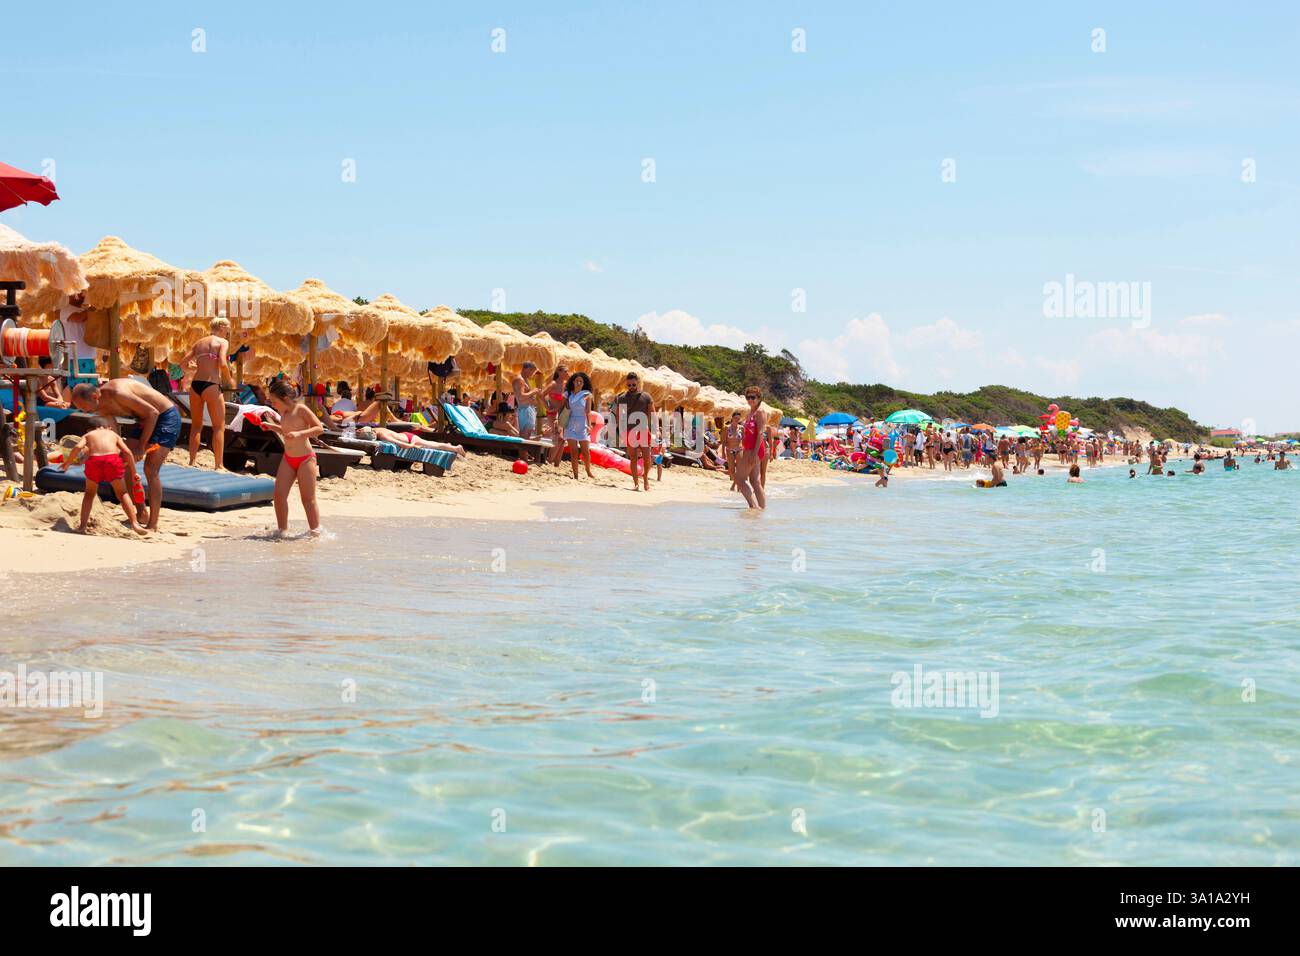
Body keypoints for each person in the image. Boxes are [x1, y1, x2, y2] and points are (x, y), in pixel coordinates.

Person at [71, 379, 180, 531]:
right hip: (144, 420)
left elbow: (153, 413)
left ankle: (153, 523)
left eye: (83, 407)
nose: (84, 411)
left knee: (151, 469)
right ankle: (141, 511)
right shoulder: (101, 406)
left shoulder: (117, 392)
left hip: (165, 416)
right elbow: (113, 435)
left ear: (95, 397)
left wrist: (141, 446)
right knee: (124, 463)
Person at [61, 416, 146, 535]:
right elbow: (127, 452)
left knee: (90, 494)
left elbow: (78, 447)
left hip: (94, 461)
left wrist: (67, 463)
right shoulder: (113, 434)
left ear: (88, 430)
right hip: (112, 461)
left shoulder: (88, 435)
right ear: (109, 427)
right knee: (122, 493)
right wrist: (133, 472)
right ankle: (135, 524)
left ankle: (82, 526)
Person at [261, 379, 324, 536]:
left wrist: (300, 434)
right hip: (288, 459)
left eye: (274, 401)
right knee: (279, 495)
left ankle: (315, 533)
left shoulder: (301, 409)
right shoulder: (284, 413)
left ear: (286, 399)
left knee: (308, 499)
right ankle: (282, 531)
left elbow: (319, 428)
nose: (272, 405)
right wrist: (272, 427)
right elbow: (287, 430)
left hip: (305, 459)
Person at [181, 317, 232, 470]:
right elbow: (222, 363)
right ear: (222, 326)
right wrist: (229, 379)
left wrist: (193, 369)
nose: (229, 330)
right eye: (228, 327)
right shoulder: (222, 342)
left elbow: (182, 364)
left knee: (196, 426)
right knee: (218, 427)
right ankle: (219, 464)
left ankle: (192, 461)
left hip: (196, 385)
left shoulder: (200, 342)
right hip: (211, 384)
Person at [616, 371, 656, 492]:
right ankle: (636, 483)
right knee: (633, 457)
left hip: (643, 430)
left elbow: (652, 414)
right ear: (626, 384)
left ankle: (646, 479)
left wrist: (654, 430)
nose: (632, 387)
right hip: (629, 431)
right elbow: (619, 415)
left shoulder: (646, 396)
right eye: (629, 385)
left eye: (633, 384)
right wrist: (622, 430)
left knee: (647, 457)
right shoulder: (622, 397)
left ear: (638, 383)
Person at [734, 387, 767, 510]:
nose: (750, 400)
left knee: (739, 478)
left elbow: (760, 433)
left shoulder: (760, 412)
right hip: (750, 448)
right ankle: (762, 510)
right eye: (748, 397)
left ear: (759, 398)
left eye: (753, 397)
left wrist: (754, 453)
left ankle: (754, 507)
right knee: (755, 481)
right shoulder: (750, 413)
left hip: (754, 449)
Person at [563, 372, 595, 480]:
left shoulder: (587, 394)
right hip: (571, 423)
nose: (579, 383)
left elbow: (588, 411)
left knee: (585, 451)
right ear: (573, 381)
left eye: (581, 381)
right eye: (577, 381)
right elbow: (564, 409)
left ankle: (588, 470)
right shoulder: (568, 394)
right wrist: (561, 423)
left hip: (583, 423)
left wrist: (590, 425)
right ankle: (575, 474)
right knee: (574, 451)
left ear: (583, 383)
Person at [357, 425, 465, 457]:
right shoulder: (375, 429)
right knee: (433, 444)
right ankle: (450, 446)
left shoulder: (382, 434)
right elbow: (359, 430)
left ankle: (456, 448)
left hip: (410, 439)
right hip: (405, 436)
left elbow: (402, 445)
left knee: (433, 445)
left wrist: (413, 445)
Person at [509, 361, 545, 440]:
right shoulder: (520, 380)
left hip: (526, 409)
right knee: (525, 433)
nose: (532, 374)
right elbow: (521, 396)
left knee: (526, 433)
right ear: (528, 369)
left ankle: (524, 452)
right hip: (525, 409)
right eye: (533, 372)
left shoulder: (523, 380)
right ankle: (523, 452)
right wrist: (533, 391)